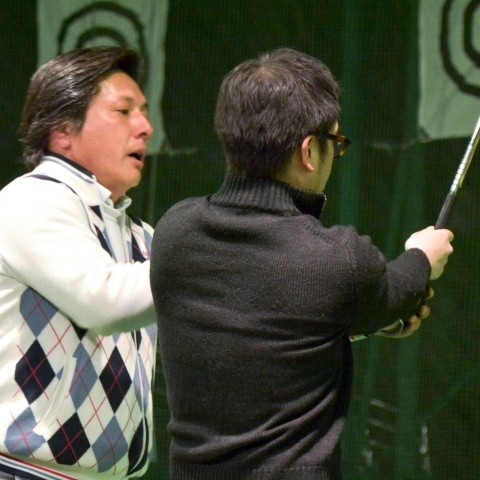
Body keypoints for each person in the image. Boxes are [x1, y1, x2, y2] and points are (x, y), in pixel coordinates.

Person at [149, 48, 454, 480]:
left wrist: (352, 321)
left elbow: (269, 321)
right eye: (336, 144)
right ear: (309, 151)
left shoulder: (173, 231)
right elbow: (399, 289)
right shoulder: (337, 259)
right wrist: (423, 255)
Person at [0, 47, 157, 480]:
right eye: (123, 111)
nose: (145, 127)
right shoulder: (31, 200)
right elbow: (104, 301)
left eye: (144, 113)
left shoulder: (142, 237)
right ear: (63, 131)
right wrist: (206, 260)